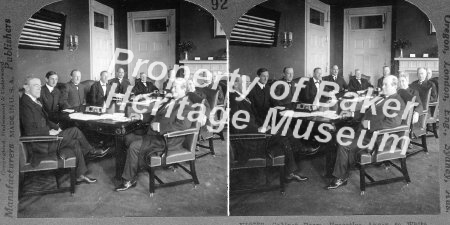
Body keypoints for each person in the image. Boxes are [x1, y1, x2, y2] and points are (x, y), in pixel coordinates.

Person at [20, 77, 110, 184]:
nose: (39, 88)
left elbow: (46, 120)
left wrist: (57, 127)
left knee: (75, 142)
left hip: (47, 139)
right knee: (75, 131)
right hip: (42, 144)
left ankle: (80, 175)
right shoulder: (25, 104)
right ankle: (91, 150)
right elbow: (30, 131)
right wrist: (48, 132)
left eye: (40, 85)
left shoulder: (33, 100)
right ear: (26, 87)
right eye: (36, 85)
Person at [115, 78, 197, 191]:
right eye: (172, 86)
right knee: (127, 137)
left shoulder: (187, 105)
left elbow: (182, 126)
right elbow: (156, 114)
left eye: (175, 87)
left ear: (183, 89)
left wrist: (160, 127)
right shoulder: (172, 100)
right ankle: (132, 168)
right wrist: (141, 116)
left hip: (167, 140)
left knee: (134, 146)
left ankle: (129, 179)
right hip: (155, 136)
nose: (171, 89)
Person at [326, 75, 406, 190]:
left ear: (394, 86)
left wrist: (369, 125)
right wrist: (352, 114)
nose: (382, 86)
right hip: (364, 131)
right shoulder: (382, 97)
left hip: (375, 137)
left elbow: (392, 123)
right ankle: (336, 170)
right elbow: (367, 111)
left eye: (385, 84)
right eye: (382, 83)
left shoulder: (397, 102)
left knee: (344, 143)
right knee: (336, 135)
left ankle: (341, 177)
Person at [230, 75, 308, 182]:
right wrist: (259, 129)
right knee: (283, 135)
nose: (249, 85)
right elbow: (237, 126)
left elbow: (253, 118)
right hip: (249, 140)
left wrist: (265, 125)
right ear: (235, 85)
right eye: (245, 83)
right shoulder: (234, 100)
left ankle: (296, 156)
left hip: (256, 132)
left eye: (249, 82)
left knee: (285, 129)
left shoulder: (243, 97)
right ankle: (292, 166)